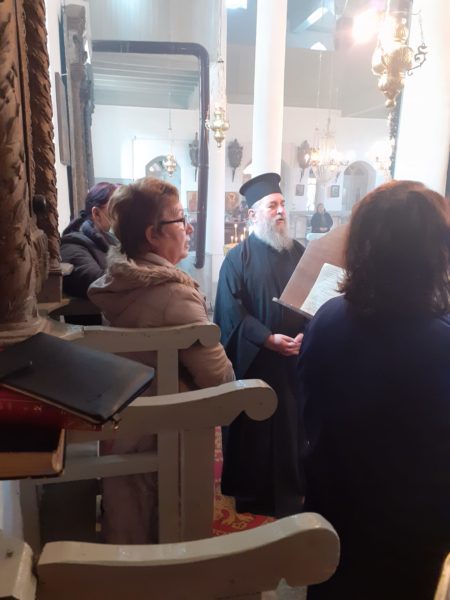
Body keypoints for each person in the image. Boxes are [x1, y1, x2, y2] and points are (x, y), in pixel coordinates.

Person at [298, 181, 450, 600]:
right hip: (407, 536)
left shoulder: (326, 318)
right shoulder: (440, 343)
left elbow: (311, 414)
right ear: (434, 254)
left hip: (332, 513)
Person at [88, 177, 234, 544]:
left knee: (133, 528)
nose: (188, 228)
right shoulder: (174, 297)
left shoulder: (119, 281)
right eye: (180, 219)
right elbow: (220, 380)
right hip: (169, 439)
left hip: (126, 426)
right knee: (172, 535)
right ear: (153, 235)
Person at [214, 172, 307, 518]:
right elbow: (230, 312)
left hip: (295, 358)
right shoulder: (237, 259)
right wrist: (267, 339)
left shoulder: (300, 253)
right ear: (253, 215)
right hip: (257, 361)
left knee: (292, 425)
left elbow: (316, 298)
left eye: (282, 204)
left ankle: (292, 489)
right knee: (256, 426)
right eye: (272, 206)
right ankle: (253, 494)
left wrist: (306, 334)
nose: (281, 211)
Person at [60, 182, 119, 298]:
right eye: (116, 210)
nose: (122, 217)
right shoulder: (72, 245)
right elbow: (97, 283)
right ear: (96, 213)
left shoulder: (111, 239)